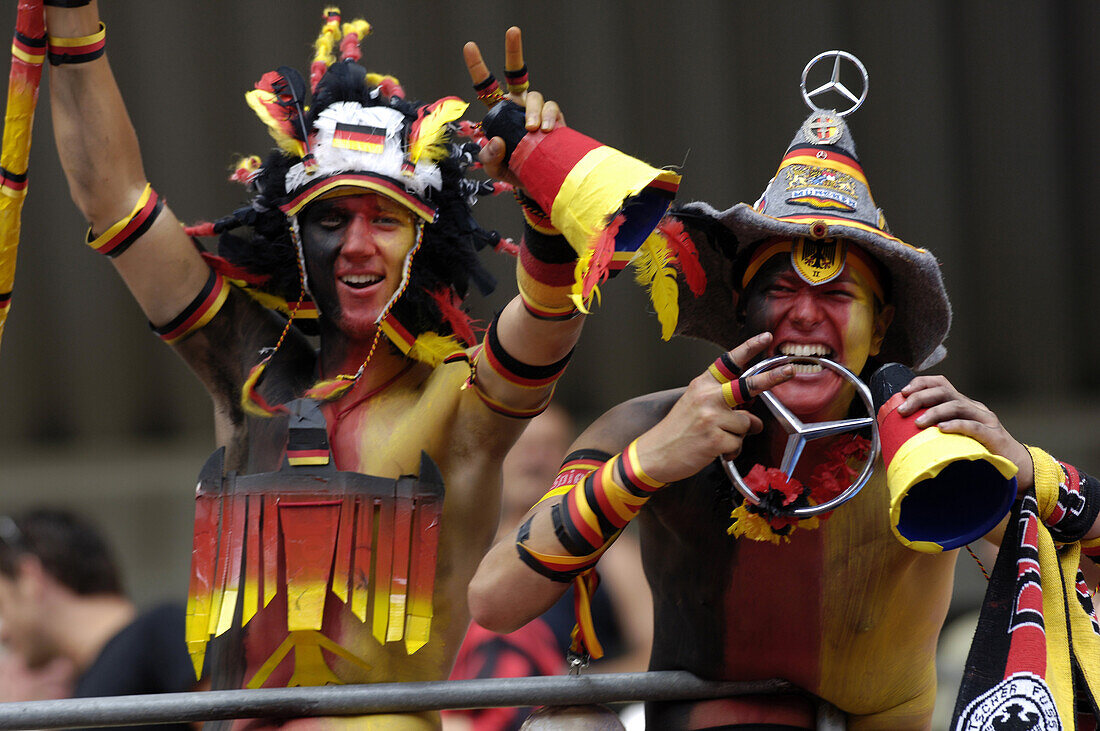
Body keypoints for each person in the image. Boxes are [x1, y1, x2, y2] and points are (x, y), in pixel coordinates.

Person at [41, 3, 683, 728]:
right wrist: (73, 25)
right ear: (293, 235)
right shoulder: (253, 375)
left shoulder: (457, 403)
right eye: (330, 218)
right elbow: (114, 199)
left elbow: (546, 319)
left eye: (384, 221)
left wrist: (542, 188)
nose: (356, 245)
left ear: (424, 242)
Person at [469, 62, 1100, 729]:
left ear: (880, 325)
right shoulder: (648, 423)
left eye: (836, 295)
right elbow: (493, 599)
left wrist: (1032, 475)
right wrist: (648, 462)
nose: (804, 316)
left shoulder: (933, 451)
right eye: (781, 291)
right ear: (742, 308)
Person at [0, 510, 194, 730]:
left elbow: (233, 722)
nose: (3, 632)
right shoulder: (81, 692)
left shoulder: (160, 630)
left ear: (29, 579)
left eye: (1, 605)